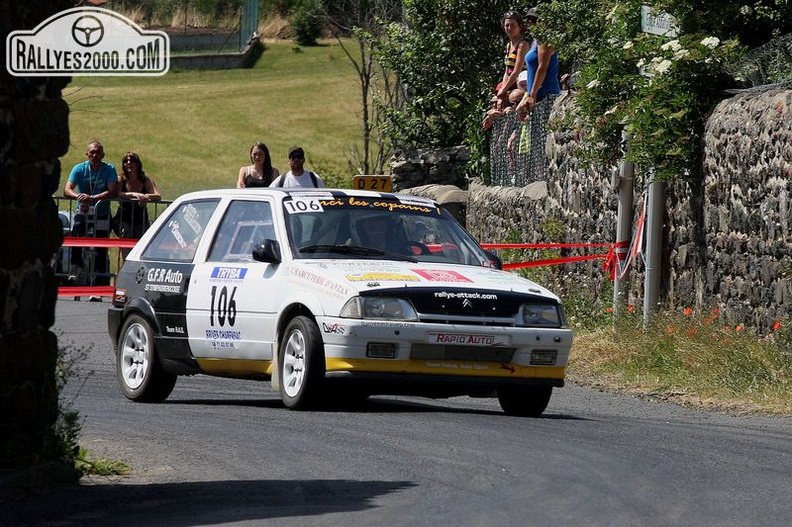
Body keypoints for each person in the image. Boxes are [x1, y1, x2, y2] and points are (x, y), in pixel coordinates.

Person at [63, 141, 118, 300]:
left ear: (103, 155)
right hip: (83, 211)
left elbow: (112, 190)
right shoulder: (79, 168)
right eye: (92, 152)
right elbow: (67, 189)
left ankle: (97, 289)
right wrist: (79, 197)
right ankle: (76, 266)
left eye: (98, 152)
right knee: (77, 231)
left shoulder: (109, 169)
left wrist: (93, 197)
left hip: (101, 213)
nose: (95, 155)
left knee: (101, 249)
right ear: (87, 154)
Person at [515, 7, 561, 182]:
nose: (532, 24)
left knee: (542, 136)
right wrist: (527, 95)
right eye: (530, 20)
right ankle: (537, 175)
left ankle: (543, 176)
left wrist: (532, 94)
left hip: (546, 93)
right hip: (535, 93)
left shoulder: (546, 41)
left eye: (535, 20)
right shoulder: (535, 41)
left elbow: (542, 68)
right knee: (535, 136)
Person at [116, 152, 161, 257]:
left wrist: (146, 197)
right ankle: (125, 266)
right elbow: (119, 193)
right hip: (123, 218)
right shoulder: (121, 179)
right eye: (125, 161)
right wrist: (134, 194)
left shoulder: (146, 179)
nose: (128, 163)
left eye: (132, 160)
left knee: (141, 245)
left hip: (141, 220)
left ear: (138, 163)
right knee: (125, 237)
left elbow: (157, 195)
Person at [494, 10, 530, 110]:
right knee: (496, 100)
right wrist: (502, 90)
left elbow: (516, 72)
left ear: (520, 27)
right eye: (507, 25)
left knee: (512, 97)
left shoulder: (523, 44)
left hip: (521, 81)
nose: (509, 28)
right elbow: (507, 70)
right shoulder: (509, 45)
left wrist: (504, 90)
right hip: (511, 80)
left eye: (513, 25)